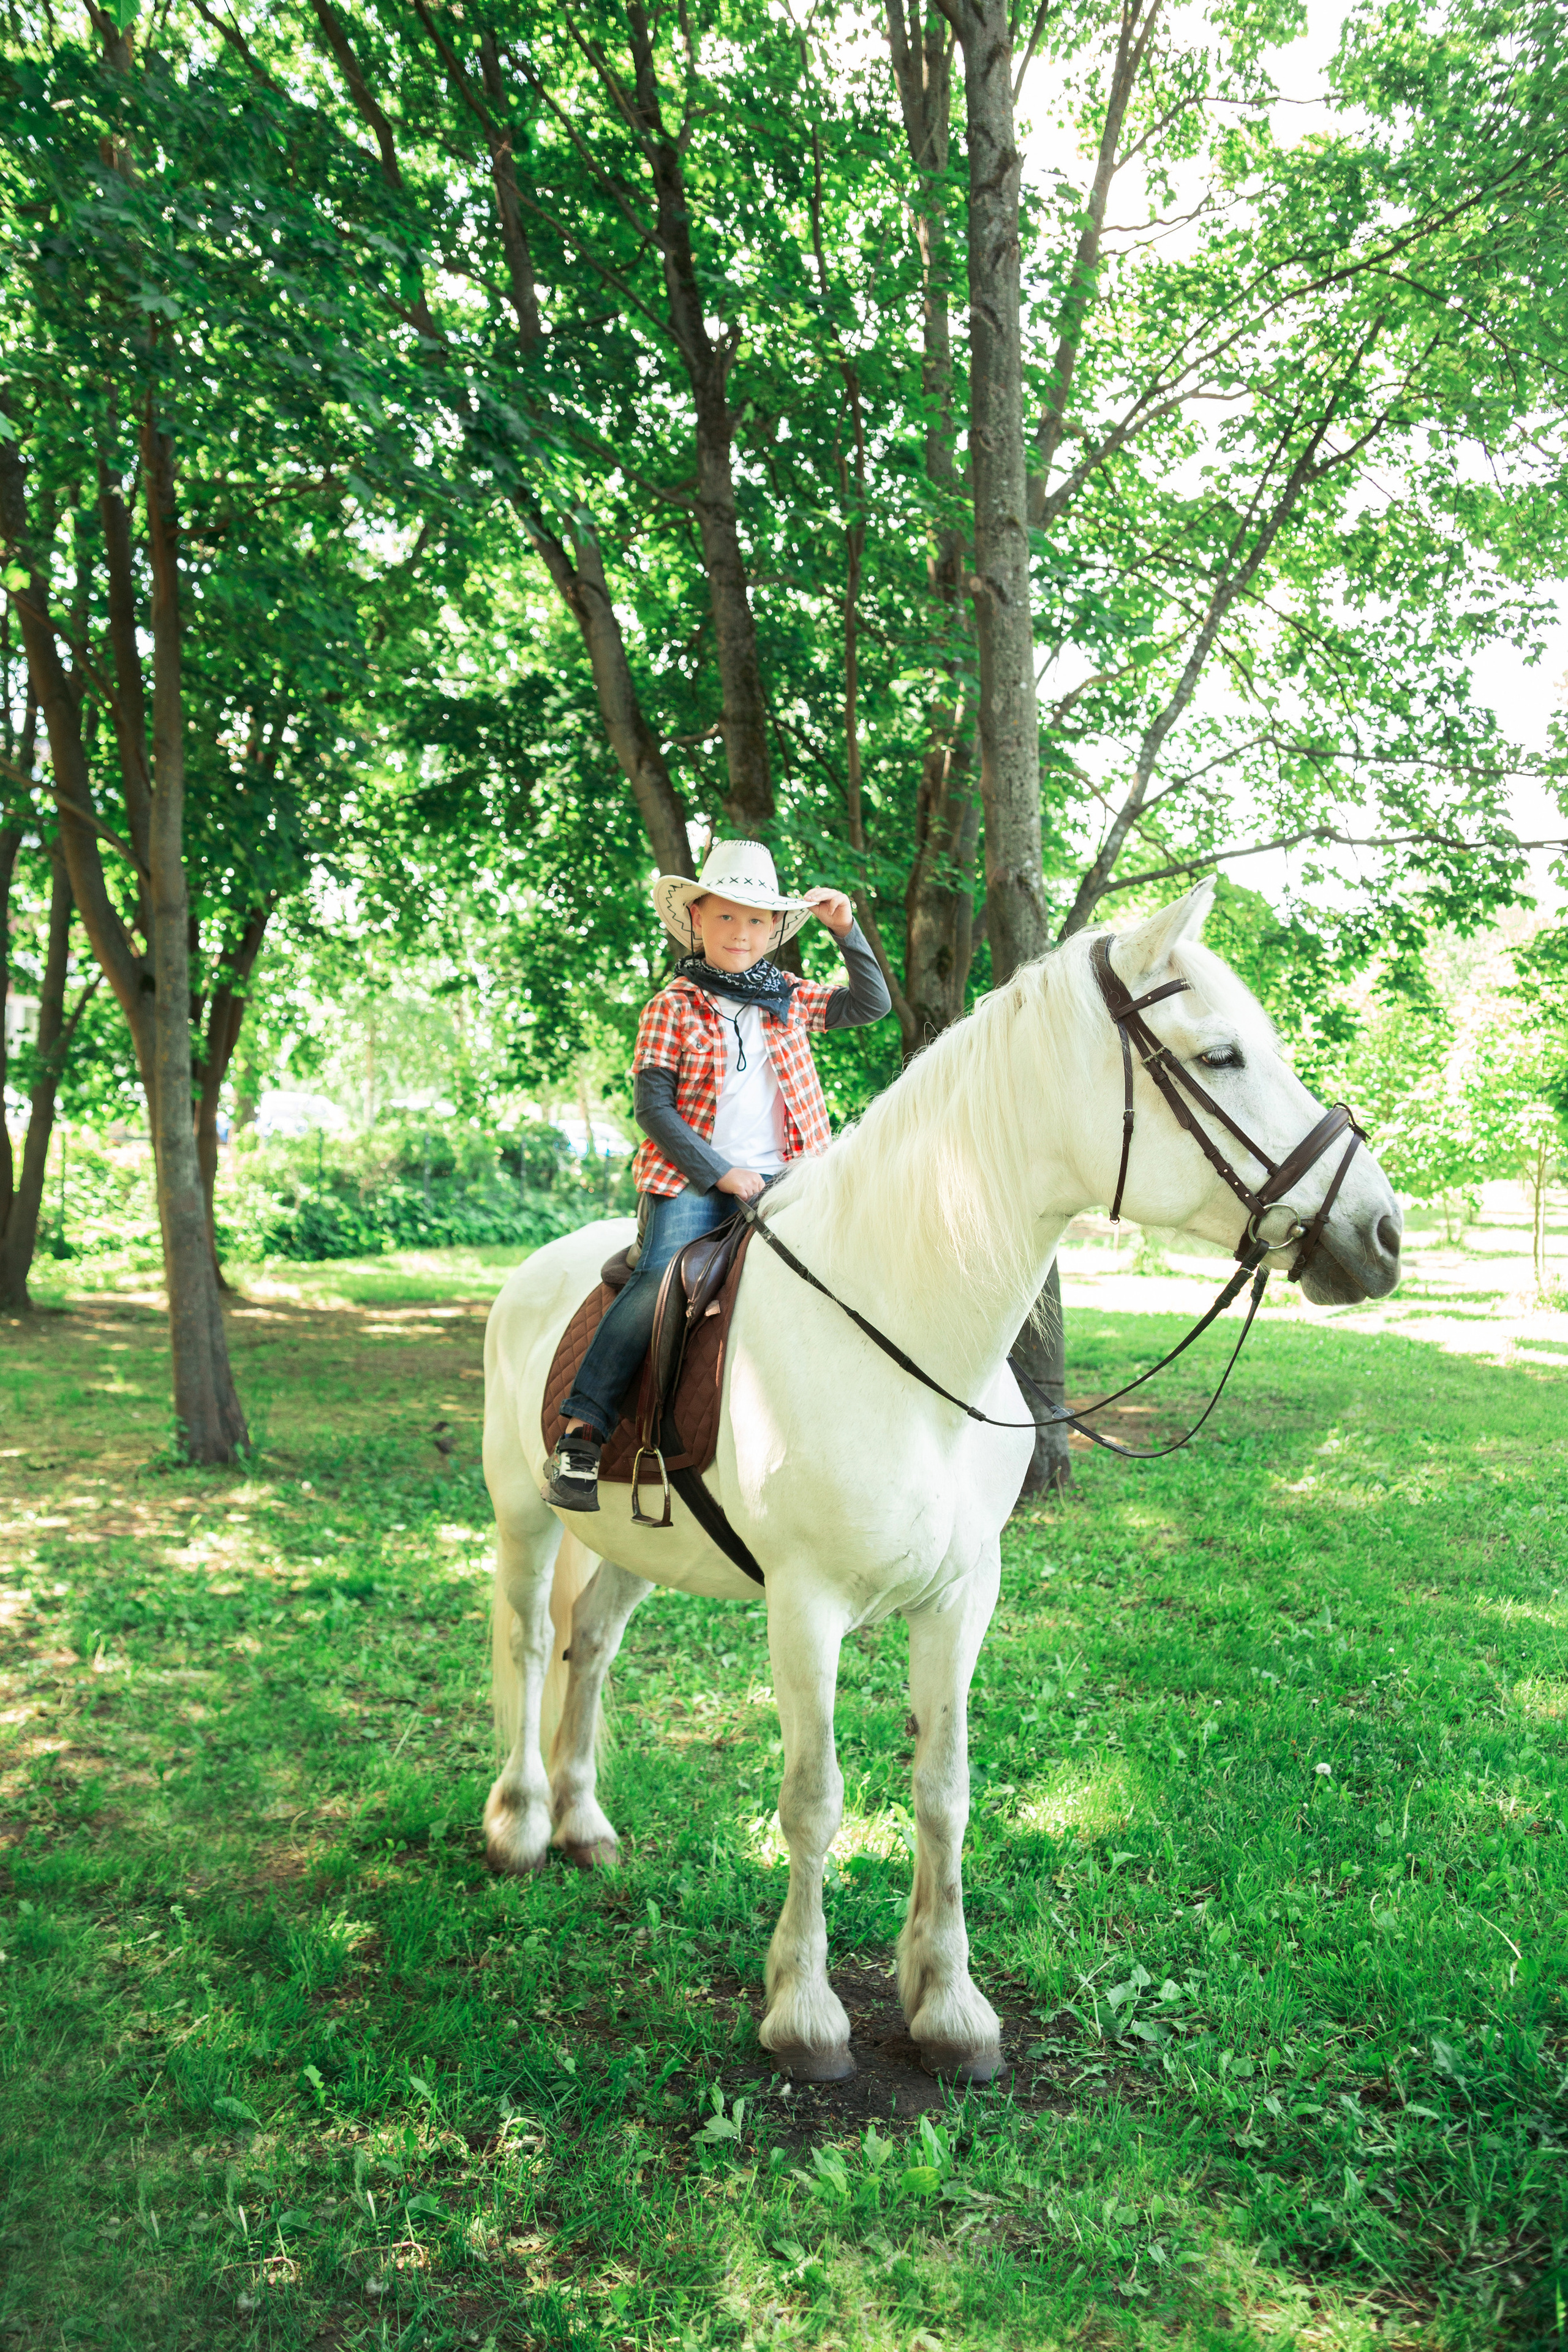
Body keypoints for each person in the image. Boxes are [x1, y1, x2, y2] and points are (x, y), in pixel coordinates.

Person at [543, 839, 892, 1511]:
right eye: (727, 917)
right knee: (662, 1278)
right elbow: (653, 1107)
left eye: (757, 920)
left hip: (793, 1174)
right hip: (694, 1182)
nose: (742, 932)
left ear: (774, 931)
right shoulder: (671, 1005)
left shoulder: (785, 995)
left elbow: (868, 1005)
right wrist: (721, 1173)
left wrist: (846, 931)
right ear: (696, 920)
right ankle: (583, 1435)